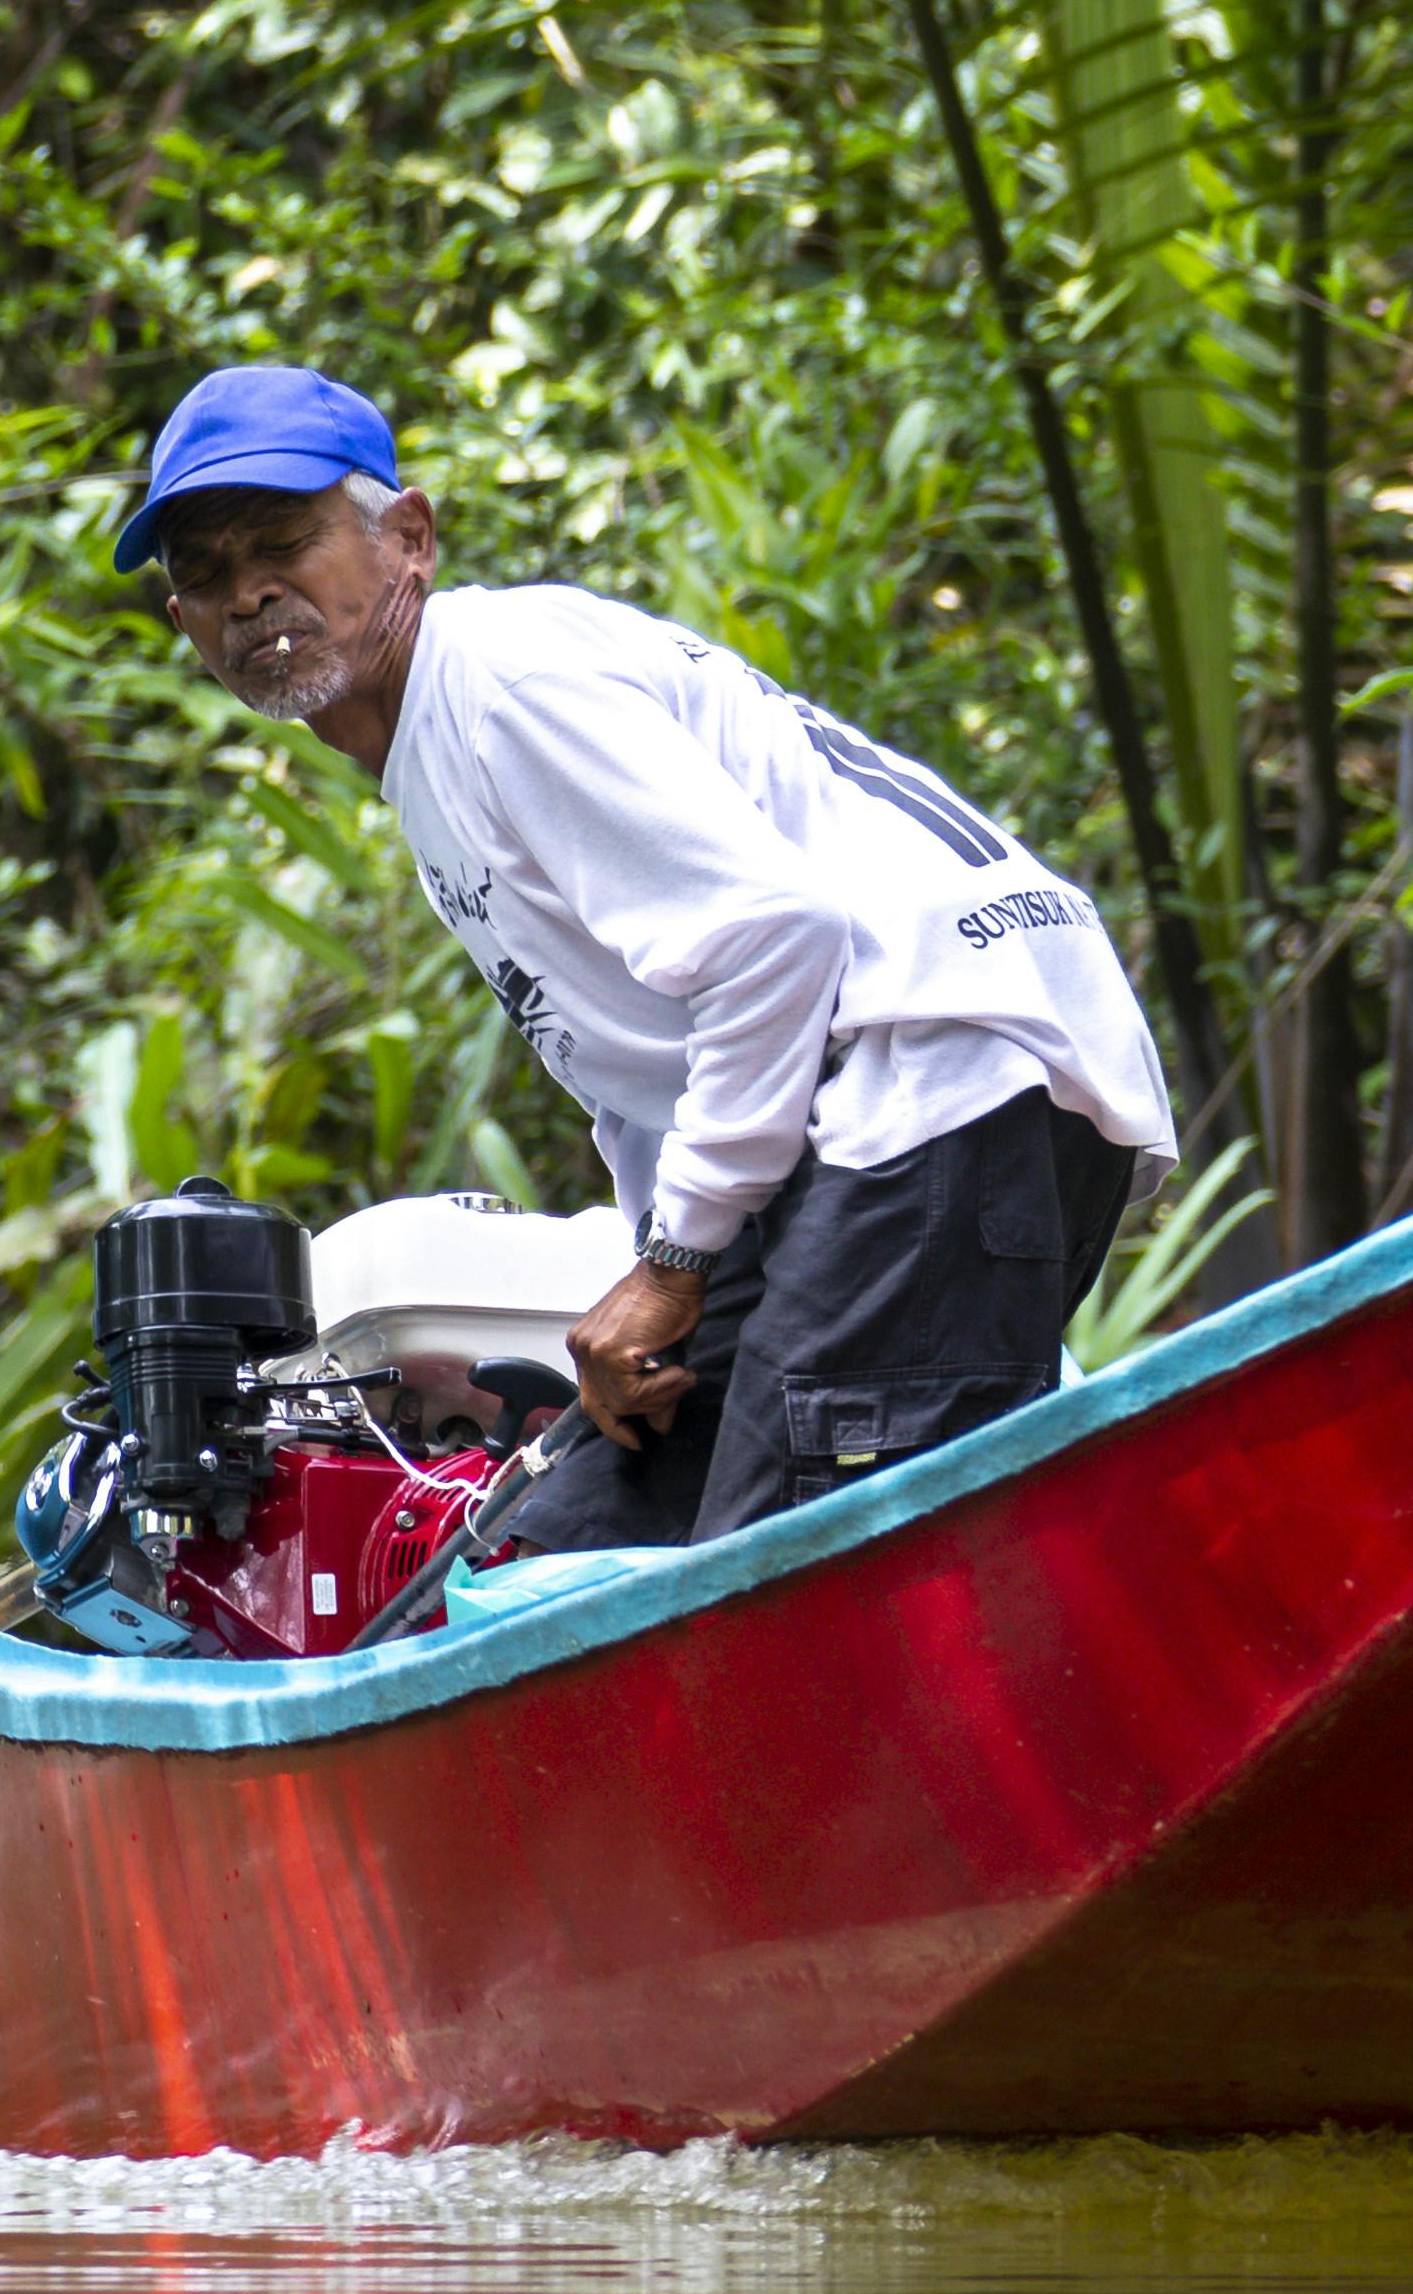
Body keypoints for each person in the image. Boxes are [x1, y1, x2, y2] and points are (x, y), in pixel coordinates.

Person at [120, 361, 1179, 1550]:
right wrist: (663, 1280)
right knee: (566, 1544)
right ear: (183, 627)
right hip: (873, 1116)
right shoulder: (433, 744)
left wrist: (674, 1264)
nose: (250, 595)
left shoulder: (501, 691)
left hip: (933, 1082)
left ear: (407, 536)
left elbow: (777, 939)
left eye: (282, 544)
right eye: (205, 578)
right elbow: (643, 1057)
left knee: (781, 1589)